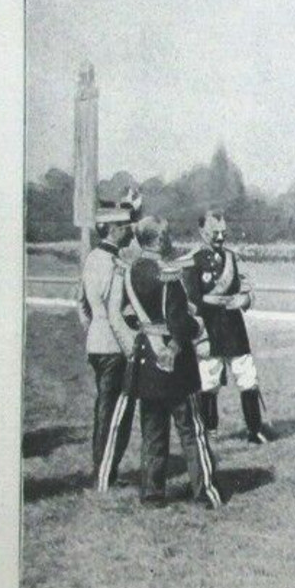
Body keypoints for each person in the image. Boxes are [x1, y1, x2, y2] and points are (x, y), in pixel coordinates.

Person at [122, 216, 223, 508]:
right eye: (166, 235)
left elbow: (129, 315)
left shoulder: (130, 272)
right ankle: (204, 492)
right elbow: (179, 322)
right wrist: (198, 325)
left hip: (146, 363)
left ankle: (152, 494)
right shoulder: (168, 273)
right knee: (192, 430)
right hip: (174, 364)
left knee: (153, 432)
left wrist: (152, 326)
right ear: (160, 239)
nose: (169, 239)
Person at [186, 208, 270, 444]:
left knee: (247, 377)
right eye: (215, 233)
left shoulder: (233, 258)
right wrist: (199, 336)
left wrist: (244, 300)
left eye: (223, 232)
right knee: (209, 380)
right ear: (202, 231)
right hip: (209, 328)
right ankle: (209, 432)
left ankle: (255, 431)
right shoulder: (193, 260)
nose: (221, 238)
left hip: (234, 328)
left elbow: (247, 289)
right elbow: (191, 302)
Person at [79, 201, 139, 488]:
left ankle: (101, 466)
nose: (130, 230)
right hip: (115, 345)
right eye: (126, 226)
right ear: (113, 229)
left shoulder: (91, 258)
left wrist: (93, 330)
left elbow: (82, 304)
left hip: (96, 343)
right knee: (117, 411)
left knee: (104, 406)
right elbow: (116, 309)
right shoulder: (114, 264)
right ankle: (105, 470)